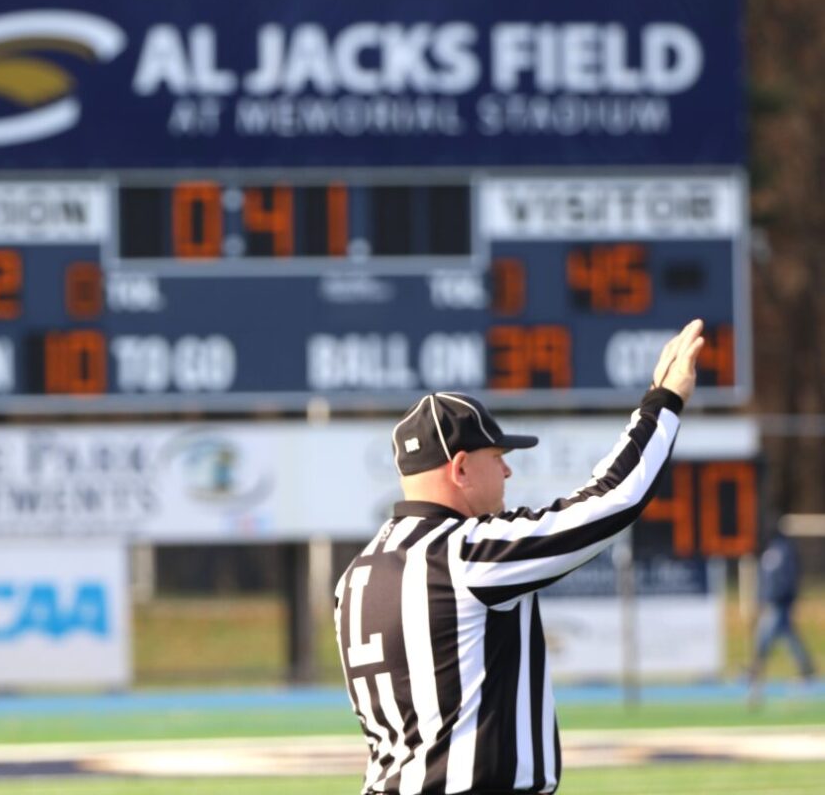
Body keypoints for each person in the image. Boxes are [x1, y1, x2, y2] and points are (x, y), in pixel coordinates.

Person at [334, 319, 704, 795]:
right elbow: (613, 499)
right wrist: (663, 401)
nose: (508, 469)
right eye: (497, 456)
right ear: (461, 468)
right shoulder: (462, 554)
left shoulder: (356, 573)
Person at [748, 527, 816, 693]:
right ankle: (806, 667)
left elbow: (789, 577)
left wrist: (786, 598)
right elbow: (764, 580)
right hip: (771, 602)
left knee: (764, 637)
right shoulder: (768, 552)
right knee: (788, 636)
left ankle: (755, 670)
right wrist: (760, 600)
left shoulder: (784, 551)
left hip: (779, 603)